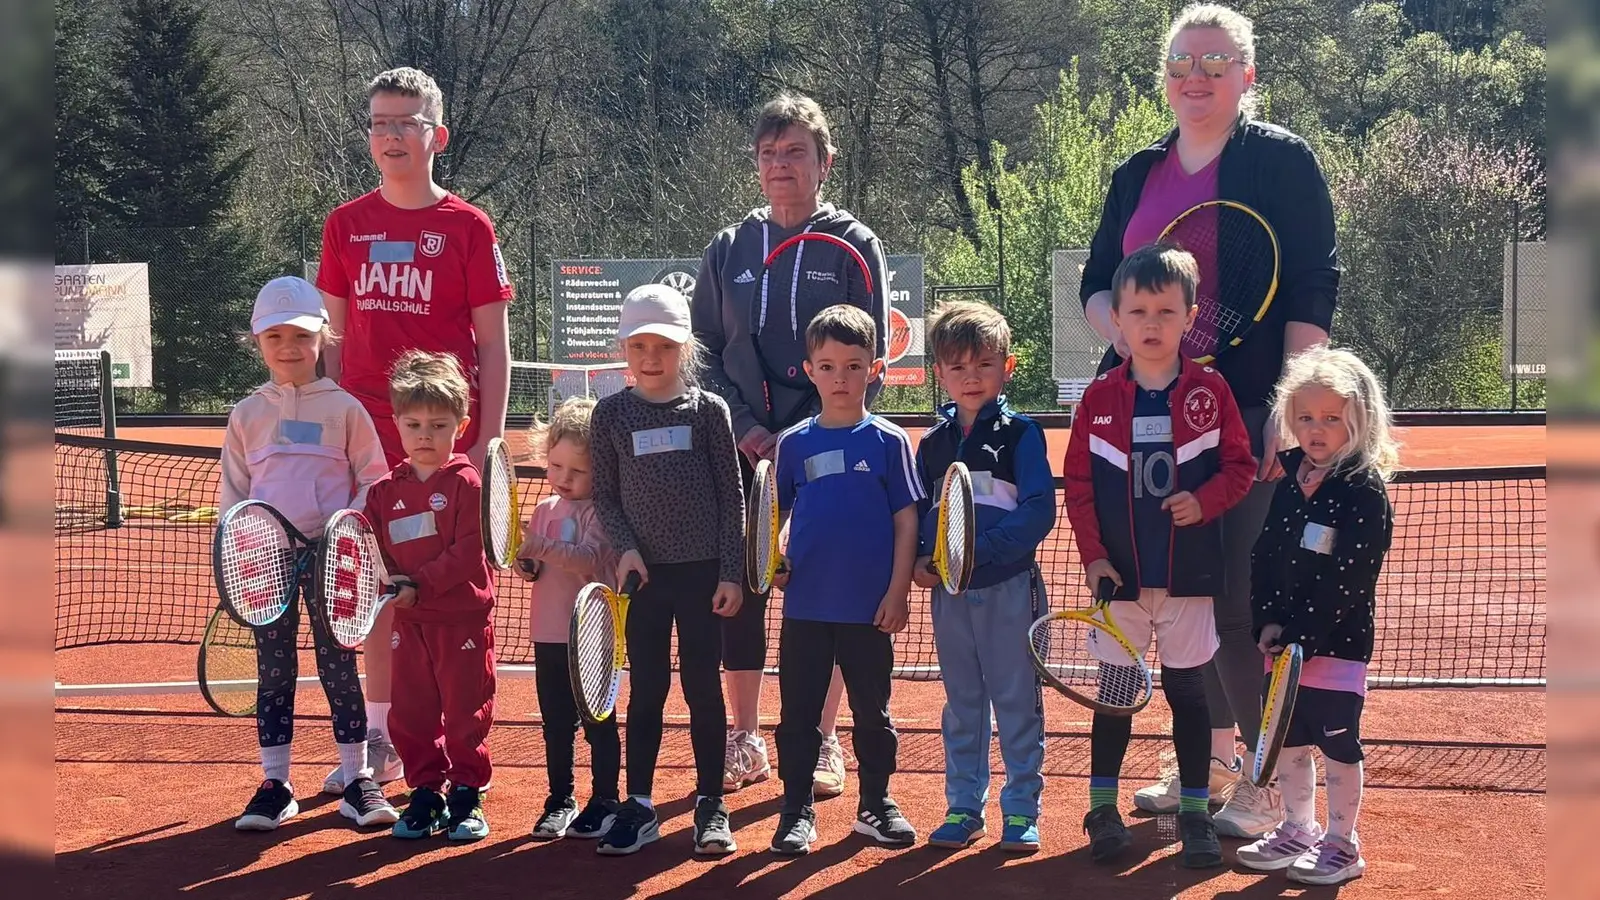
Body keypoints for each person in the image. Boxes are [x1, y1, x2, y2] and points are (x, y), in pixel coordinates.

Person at [1078, 2, 1340, 839]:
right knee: (1174, 588)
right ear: (1166, 76)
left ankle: (1257, 782)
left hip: (1249, 413)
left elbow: (1311, 284)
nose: (1197, 76)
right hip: (1144, 418)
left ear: (1247, 75)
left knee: (1234, 598)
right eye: (1183, 62)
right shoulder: (1136, 172)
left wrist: (1285, 409)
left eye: (1216, 62)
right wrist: (1134, 345)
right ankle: (1208, 765)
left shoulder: (1281, 163)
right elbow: (1096, 283)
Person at [315, 66, 515, 797]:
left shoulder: (468, 227)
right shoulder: (344, 224)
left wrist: (485, 447)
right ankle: (382, 735)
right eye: (379, 122)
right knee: (376, 589)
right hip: (366, 440)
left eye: (406, 122)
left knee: (453, 594)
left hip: (446, 445)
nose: (392, 135)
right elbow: (330, 341)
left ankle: (458, 748)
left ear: (438, 134)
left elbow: (493, 345)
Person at [691, 92, 890, 797]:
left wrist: (810, 440)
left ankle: (826, 737)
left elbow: (869, 356)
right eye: (770, 154)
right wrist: (746, 430)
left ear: (824, 162)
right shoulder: (729, 248)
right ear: (756, 164)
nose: (781, 165)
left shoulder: (857, 244)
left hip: (829, 456)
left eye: (795, 152)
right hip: (741, 453)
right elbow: (706, 354)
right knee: (742, 591)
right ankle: (745, 737)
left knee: (828, 589)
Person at [1063, 244, 1256, 868]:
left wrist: (1204, 502)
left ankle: (1196, 810)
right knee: (1115, 694)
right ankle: (1101, 808)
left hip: (1188, 581)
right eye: (1138, 310)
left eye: (1166, 311)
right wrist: (1094, 558)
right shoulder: (1097, 400)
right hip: (1120, 583)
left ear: (1190, 317)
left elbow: (1241, 468)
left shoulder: (1211, 390)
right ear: (1116, 318)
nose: (1151, 324)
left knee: (1189, 696)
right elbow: (1082, 487)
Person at [221, 276, 396, 832]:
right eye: (275, 336)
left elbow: (374, 478)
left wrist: (347, 530)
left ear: (324, 336)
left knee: (338, 665)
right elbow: (234, 494)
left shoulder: (345, 409)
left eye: (300, 334)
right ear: (258, 342)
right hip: (265, 565)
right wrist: (237, 553)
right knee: (274, 672)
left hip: (334, 558)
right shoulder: (246, 414)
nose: (289, 347)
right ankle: (275, 784)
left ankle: (356, 779)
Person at [589, 285, 745, 857]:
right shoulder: (610, 414)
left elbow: (733, 499)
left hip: (704, 578)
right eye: (640, 345)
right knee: (647, 692)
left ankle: (710, 804)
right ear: (624, 349)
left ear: (686, 349)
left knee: (704, 690)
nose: (652, 357)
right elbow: (605, 497)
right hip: (644, 580)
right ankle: (643, 806)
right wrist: (626, 549)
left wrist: (731, 573)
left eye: (665, 346)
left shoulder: (710, 411)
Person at [1237, 346, 1397, 886]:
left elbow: (1349, 580)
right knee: (1289, 740)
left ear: (1360, 420)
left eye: (1332, 418)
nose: (1317, 429)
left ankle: (1341, 843)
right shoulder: (1289, 483)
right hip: (1282, 649)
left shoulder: (1364, 492)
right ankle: (1297, 828)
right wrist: (1266, 623)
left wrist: (1302, 634)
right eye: (1305, 417)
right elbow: (1263, 555)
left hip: (1335, 649)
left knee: (1337, 746)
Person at [767, 305, 921, 856]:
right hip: (806, 607)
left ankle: (875, 804)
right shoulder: (793, 444)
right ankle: (795, 811)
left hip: (870, 609)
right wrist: (772, 560)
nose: (840, 378)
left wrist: (898, 591)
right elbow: (771, 516)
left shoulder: (889, 442)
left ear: (875, 369)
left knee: (872, 715)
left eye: (853, 366)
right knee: (798, 718)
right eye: (828, 366)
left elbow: (908, 520)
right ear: (809, 370)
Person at [911, 301, 1056, 853]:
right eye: (957, 366)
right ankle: (963, 808)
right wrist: (929, 558)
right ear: (940, 374)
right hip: (951, 598)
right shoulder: (932, 444)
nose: (971, 377)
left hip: (1009, 589)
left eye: (984, 364)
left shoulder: (1021, 435)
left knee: (1017, 700)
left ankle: (1021, 809)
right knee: (963, 703)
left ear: (1007, 368)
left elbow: (1038, 509)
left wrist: (980, 553)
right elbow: (926, 512)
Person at [364, 351, 497, 842]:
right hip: (410, 624)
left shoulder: (467, 483)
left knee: (466, 710)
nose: (425, 435)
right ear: (396, 423)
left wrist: (420, 584)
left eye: (439, 425)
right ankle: (425, 791)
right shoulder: (382, 492)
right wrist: (388, 584)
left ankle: (466, 793)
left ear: (460, 427)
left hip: (460, 619)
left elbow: (469, 551)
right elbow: (374, 551)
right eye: (414, 423)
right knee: (410, 711)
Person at [515, 397, 623, 841]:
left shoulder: (604, 512)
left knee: (599, 723)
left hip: (594, 636)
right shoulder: (544, 510)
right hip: (549, 635)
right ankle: (560, 799)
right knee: (556, 723)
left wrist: (536, 547)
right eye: (556, 467)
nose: (563, 479)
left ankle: (606, 800)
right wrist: (526, 562)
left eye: (577, 471)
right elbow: (536, 568)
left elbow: (588, 560)